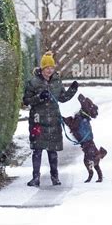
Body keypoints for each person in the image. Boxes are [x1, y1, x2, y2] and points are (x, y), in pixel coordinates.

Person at [23, 51, 78, 187]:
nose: (49, 70)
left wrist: (72, 90)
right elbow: (26, 101)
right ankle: (35, 177)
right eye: (47, 68)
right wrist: (39, 97)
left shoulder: (57, 82)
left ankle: (55, 177)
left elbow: (62, 98)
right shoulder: (33, 82)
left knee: (52, 151)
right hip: (38, 121)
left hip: (53, 120)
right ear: (42, 68)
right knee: (37, 149)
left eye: (52, 68)